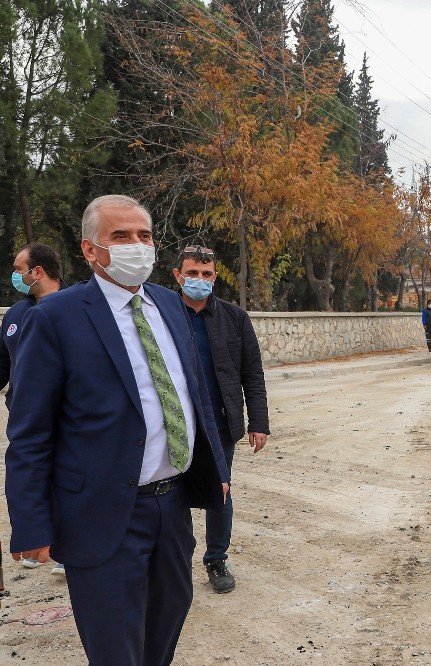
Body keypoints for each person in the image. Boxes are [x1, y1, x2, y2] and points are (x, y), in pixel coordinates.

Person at [5, 194, 230, 665]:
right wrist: (30, 523)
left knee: (165, 626)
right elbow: (29, 433)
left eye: (144, 236)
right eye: (121, 236)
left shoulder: (171, 307)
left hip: (171, 508)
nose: (136, 246)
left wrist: (217, 467)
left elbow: (194, 395)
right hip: (101, 513)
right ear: (90, 250)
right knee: (114, 647)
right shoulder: (53, 319)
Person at [172, 244, 269, 594]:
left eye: (207, 274)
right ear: (177, 275)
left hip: (219, 423)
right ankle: (174, 560)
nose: (199, 280)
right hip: (173, 423)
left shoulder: (234, 318)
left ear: (215, 278)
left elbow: (252, 374)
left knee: (219, 490)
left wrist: (258, 421)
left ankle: (216, 558)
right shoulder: (161, 314)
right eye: (192, 273)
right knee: (171, 493)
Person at [1, 243, 66, 575]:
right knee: (32, 474)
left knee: (67, 479)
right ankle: (38, 537)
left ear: (37, 272)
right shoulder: (15, 315)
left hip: (67, 418)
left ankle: (66, 549)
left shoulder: (74, 311)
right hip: (25, 415)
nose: (15, 275)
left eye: (18, 268)